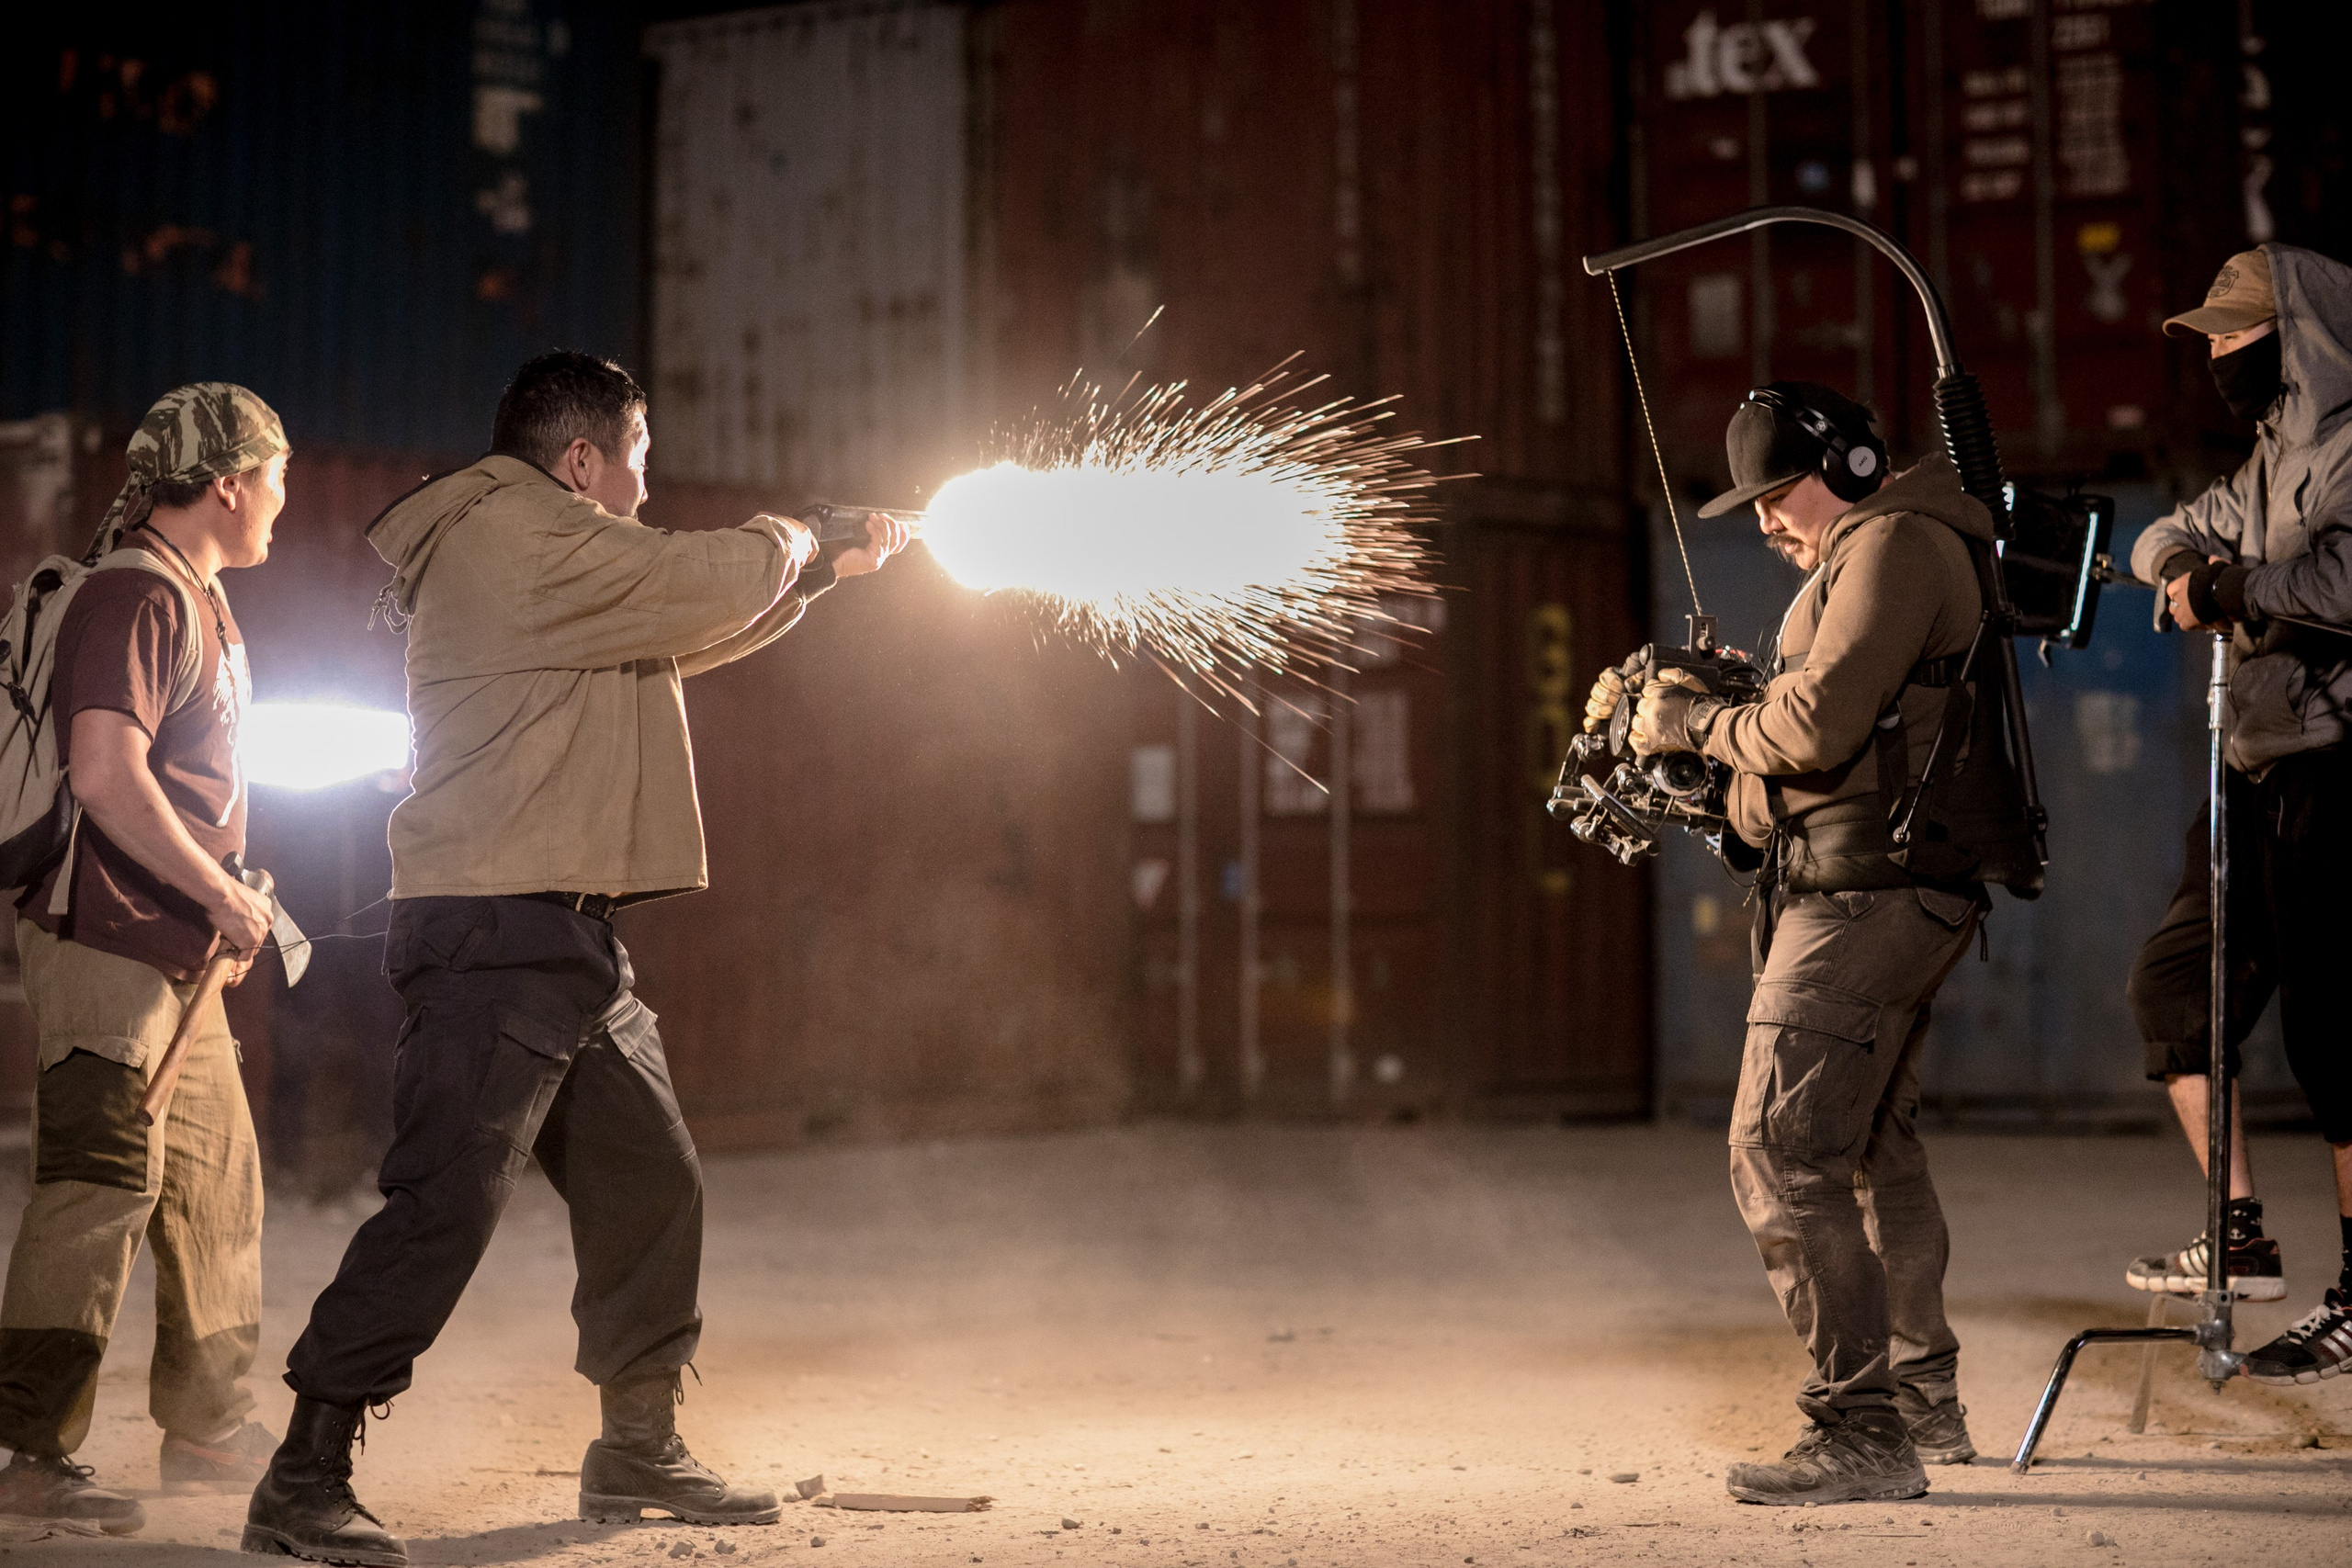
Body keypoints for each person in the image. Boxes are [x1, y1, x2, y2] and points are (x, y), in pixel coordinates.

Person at [240, 351, 909, 1565]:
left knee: (653, 1177)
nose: (646, 488)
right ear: (583, 459)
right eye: (638, 461)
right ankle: (304, 1473)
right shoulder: (514, 534)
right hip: (495, 927)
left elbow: (680, 632)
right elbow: (686, 577)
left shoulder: (556, 557)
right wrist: (799, 534)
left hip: (564, 931)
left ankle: (637, 1444)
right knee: (445, 1204)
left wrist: (816, 572)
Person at [1592, 382, 2030, 1504]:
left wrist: (1694, 723)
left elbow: (1820, 724)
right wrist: (1715, 773)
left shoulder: (1893, 545)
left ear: (1850, 467)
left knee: (1780, 1152)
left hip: (1865, 901)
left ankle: (1861, 1430)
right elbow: (1818, 748)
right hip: (1872, 886)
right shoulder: (1879, 551)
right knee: (1875, 1146)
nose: (1763, 520)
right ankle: (1920, 1403)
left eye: (1776, 493)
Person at [0, 384, 289, 1530]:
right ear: (228, 483)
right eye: (275, 476)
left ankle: (209, 1430)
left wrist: (220, 903)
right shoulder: (137, 593)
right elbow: (105, 774)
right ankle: (29, 1454)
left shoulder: (199, 597)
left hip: (176, 953)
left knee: (217, 1184)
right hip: (106, 942)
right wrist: (219, 892)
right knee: (99, 1179)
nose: (281, 498)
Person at [2122, 245, 2352, 1387]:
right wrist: (2186, 561)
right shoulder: (2266, 460)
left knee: (2336, 1037)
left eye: (2232, 333)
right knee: (2174, 989)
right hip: (2252, 764)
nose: (2216, 354)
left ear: (2296, 334)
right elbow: (2154, 537)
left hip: (2334, 763)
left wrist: (2232, 587)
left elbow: (2344, 586)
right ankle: (2240, 1234)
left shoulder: (2349, 448)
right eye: (2207, 337)